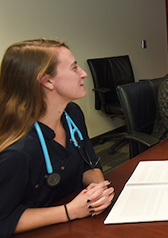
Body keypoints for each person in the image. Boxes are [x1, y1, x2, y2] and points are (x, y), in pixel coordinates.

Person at [0, 39, 114, 236]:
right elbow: (4, 220)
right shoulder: (18, 150)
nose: (84, 73)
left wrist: (97, 190)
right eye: (74, 68)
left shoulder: (72, 114)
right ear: (47, 81)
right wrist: (70, 212)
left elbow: (88, 165)